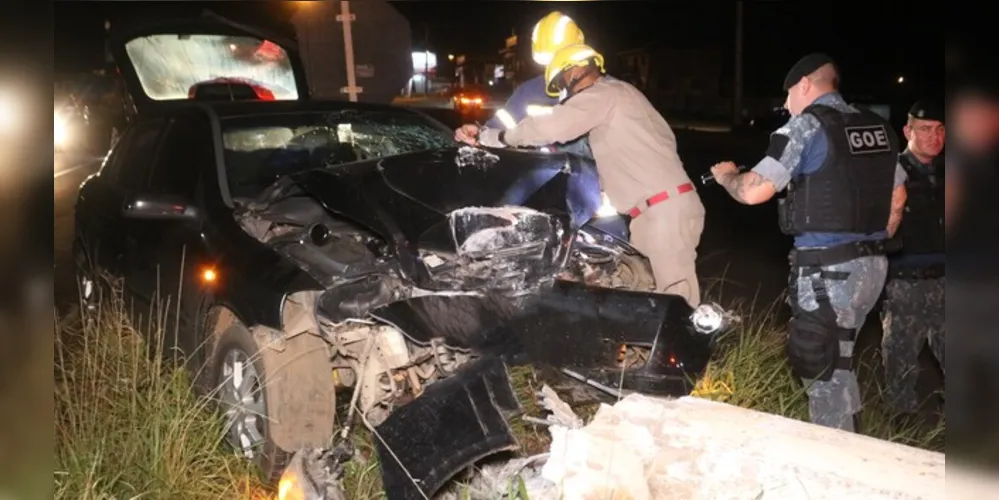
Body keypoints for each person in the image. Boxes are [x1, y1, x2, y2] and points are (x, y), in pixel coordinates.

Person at [707, 53, 908, 433]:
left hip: (828, 272)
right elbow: (898, 196)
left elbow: (754, 191)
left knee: (820, 368)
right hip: (874, 267)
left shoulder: (806, 127)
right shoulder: (878, 127)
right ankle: (856, 443)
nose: (785, 106)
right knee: (840, 362)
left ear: (805, 86)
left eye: (788, 96)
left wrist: (729, 176)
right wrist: (871, 241)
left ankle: (835, 461)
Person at [456, 44, 706, 307]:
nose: (565, 92)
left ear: (576, 70)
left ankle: (692, 345)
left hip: (663, 211)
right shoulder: (626, 96)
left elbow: (554, 125)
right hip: (661, 210)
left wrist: (495, 137)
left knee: (678, 307)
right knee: (657, 300)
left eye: (563, 82)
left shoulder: (605, 94)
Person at [879, 101, 946, 417]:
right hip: (905, 284)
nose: (934, 136)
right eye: (925, 129)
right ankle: (901, 429)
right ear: (907, 131)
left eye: (940, 129)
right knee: (900, 362)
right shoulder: (891, 172)